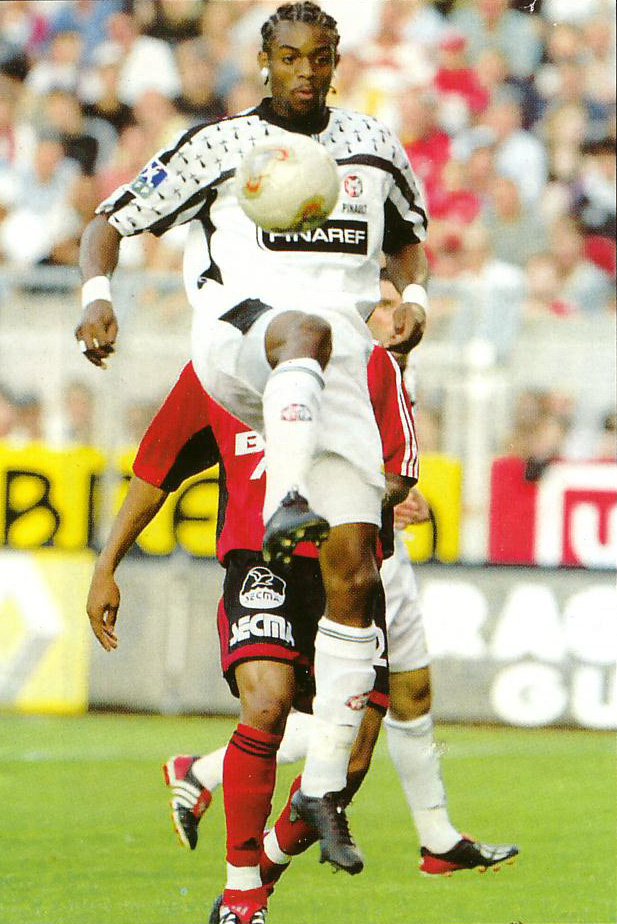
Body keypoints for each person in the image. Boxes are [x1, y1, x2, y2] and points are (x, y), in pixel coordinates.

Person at [77, 3, 429, 920]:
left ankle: (310, 799)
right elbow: (110, 220)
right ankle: (284, 498)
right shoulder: (219, 146)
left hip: (340, 369)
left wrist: (412, 299)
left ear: (336, 61)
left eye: (320, 57)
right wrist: (97, 296)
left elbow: (406, 239)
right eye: (288, 57)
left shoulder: (371, 148)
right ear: (264, 61)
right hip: (239, 341)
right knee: (297, 330)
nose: (305, 71)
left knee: (356, 574)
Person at [87, 341, 416, 924]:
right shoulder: (219, 365)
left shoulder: (369, 363)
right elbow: (156, 467)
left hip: (346, 573)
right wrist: (106, 565)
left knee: (350, 761)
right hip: (260, 560)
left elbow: (398, 475)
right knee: (265, 703)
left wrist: (339, 484)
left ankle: (259, 869)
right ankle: (241, 897)